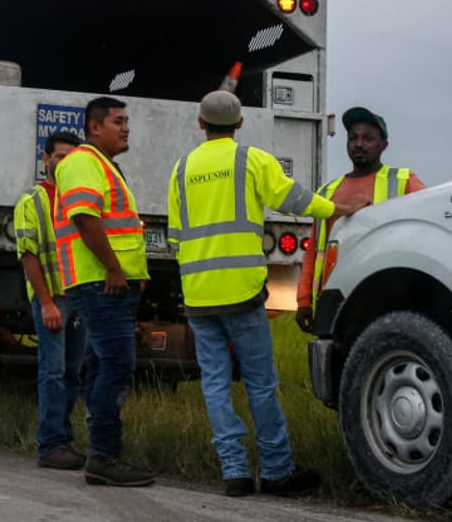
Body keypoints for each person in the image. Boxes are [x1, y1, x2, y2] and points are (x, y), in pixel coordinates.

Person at [167, 91, 364, 497]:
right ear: (240, 124)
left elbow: (174, 237)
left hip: (200, 296)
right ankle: (276, 470)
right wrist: (337, 210)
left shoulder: (182, 168)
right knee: (259, 383)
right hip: (241, 292)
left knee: (216, 384)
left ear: (201, 124)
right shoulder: (251, 160)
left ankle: (234, 473)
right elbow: (292, 199)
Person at [53, 97, 155, 487]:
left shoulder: (105, 165)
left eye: (127, 120)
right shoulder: (83, 161)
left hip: (108, 282)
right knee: (117, 366)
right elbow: (84, 216)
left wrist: (132, 272)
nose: (126, 127)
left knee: (101, 366)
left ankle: (101, 454)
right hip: (99, 282)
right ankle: (105, 457)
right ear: (95, 127)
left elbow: (119, 226)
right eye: (118, 121)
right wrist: (114, 268)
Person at [296, 106, 426, 332]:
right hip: (335, 298)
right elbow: (314, 251)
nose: (358, 144)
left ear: (383, 145)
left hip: (386, 296)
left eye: (368, 138)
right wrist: (303, 300)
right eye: (353, 137)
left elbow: (427, 226)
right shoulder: (327, 192)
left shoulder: (403, 181)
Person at [15, 130, 87, 469]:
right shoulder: (32, 201)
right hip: (53, 299)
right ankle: (51, 445)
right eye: (59, 157)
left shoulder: (80, 200)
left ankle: (63, 439)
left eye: (72, 158)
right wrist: (46, 302)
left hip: (80, 297)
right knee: (54, 372)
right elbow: (29, 256)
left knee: (72, 372)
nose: (64, 164)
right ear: (45, 159)